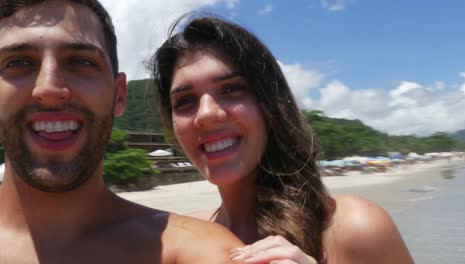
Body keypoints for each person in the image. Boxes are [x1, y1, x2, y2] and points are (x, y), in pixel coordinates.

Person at [150, 15, 414, 264]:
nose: (206, 114)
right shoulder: (184, 239)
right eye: (185, 101)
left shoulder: (352, 227)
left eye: (230, 89)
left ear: (270, 105)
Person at [0, 1, 244, 263]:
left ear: (120, 95)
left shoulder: (192, 251)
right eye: (18, 62)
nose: (48, 89)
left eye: (81, 61)